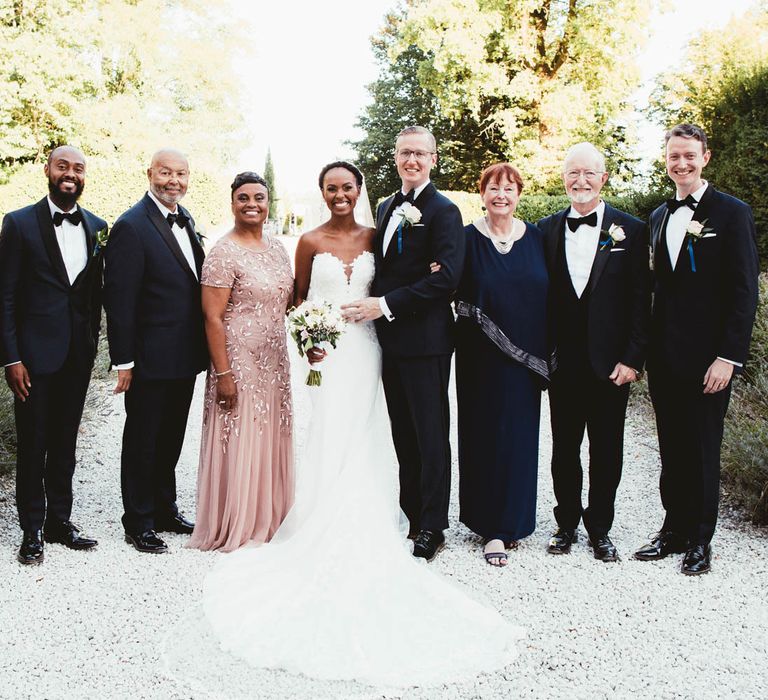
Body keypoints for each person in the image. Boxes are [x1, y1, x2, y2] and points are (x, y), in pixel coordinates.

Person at [164, 161, 523, 689]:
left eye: (347, 187)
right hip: (328, 356)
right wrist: (309, 337)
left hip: (372, 349)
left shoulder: (381, 232)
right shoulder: (306, 241)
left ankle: (395, 512)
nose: (339, 194)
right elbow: (297, 299)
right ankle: (322, 509)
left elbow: (410, 277)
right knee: (331, 428)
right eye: (331, 187)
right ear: (322, 192)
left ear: (359, 191)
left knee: (374, 429)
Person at [635, 124, 759, 575]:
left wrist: (728, 356)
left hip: (711, 360)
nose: (681, 164)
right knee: (672, 447)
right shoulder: (657, 217)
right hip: (666, 358)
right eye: (674, 157)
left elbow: (744, 292)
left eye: (689, 156)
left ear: (705, 157)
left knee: (704, 448)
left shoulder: (732, 213)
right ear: (665, 160)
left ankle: (701, 540)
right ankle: (673, 529)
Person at [342, 126, 465, 561]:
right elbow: (387, 268)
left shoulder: (445, 211)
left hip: (426, 341)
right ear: (395, 157)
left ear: (433, 158)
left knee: (430, 435)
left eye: (419, 153)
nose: (411, 160)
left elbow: (447, 278)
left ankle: (433, 524)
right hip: (389, 342)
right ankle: (411, 514)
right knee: (403, 434)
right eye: (404, 153)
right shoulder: (386, 205)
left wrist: (386, 305)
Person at [538, 143, 651, 562]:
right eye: (573, 173)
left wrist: (633, 359)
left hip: (611, 365)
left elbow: (642, 302)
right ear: (563, 178)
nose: (580, 181)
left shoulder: (631, 231)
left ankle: (600, 528)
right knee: (564, 449)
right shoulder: (545, 230)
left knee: (607, 450)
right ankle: (565, 524)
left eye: (589, 173)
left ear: (603, 179)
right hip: (562, 363)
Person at [0, 145, 104, 565]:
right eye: (63, 166)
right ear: (48, 170)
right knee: (34, 443)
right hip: (33, 359)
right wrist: (11, 358)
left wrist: (95, 345)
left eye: (78, 169)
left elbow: (94, 292)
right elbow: (4, 297)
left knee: (65, 442)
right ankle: (32, 529)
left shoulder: (98, 227)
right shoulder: (19, 223)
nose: (70, 174)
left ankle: (61, 522)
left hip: (77, 357)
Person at [103, 148, 208, 554]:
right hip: (148, 357)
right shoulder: (131, 225)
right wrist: (124, 360)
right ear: (149, 173)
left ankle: (165, 508)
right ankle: (139, 520)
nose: (173, 181)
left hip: (184, 357)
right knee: (143, 439)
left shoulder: (187, 219)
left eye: (181, 174)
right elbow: (120, 299)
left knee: (170, 438)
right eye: (165, 173)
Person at [188, 172, 294, 552]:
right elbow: (212, 317)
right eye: (243, 198)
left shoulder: (279, 248)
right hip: (237, 361)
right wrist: (224, 373)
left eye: (259, 197)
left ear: (269, 203)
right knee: (240, 433)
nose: (252, 204)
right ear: (232, 203)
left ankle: (269, 515)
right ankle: (235, 520)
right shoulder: (222, 252)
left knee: (270, 433)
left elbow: (289, 304)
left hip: (274, 361)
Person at [455, 163, 549, 566]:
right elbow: (449, 287)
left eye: (509, 188)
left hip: (525, 360)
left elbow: (554, 293)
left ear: (518, 194)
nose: (501, 195)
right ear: (482, 193)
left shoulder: (538, 238)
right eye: (493, 187)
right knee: (484, 436)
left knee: (520, 439)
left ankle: (515, 521)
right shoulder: (465, 239)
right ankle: (489, 527)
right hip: (479, 359)